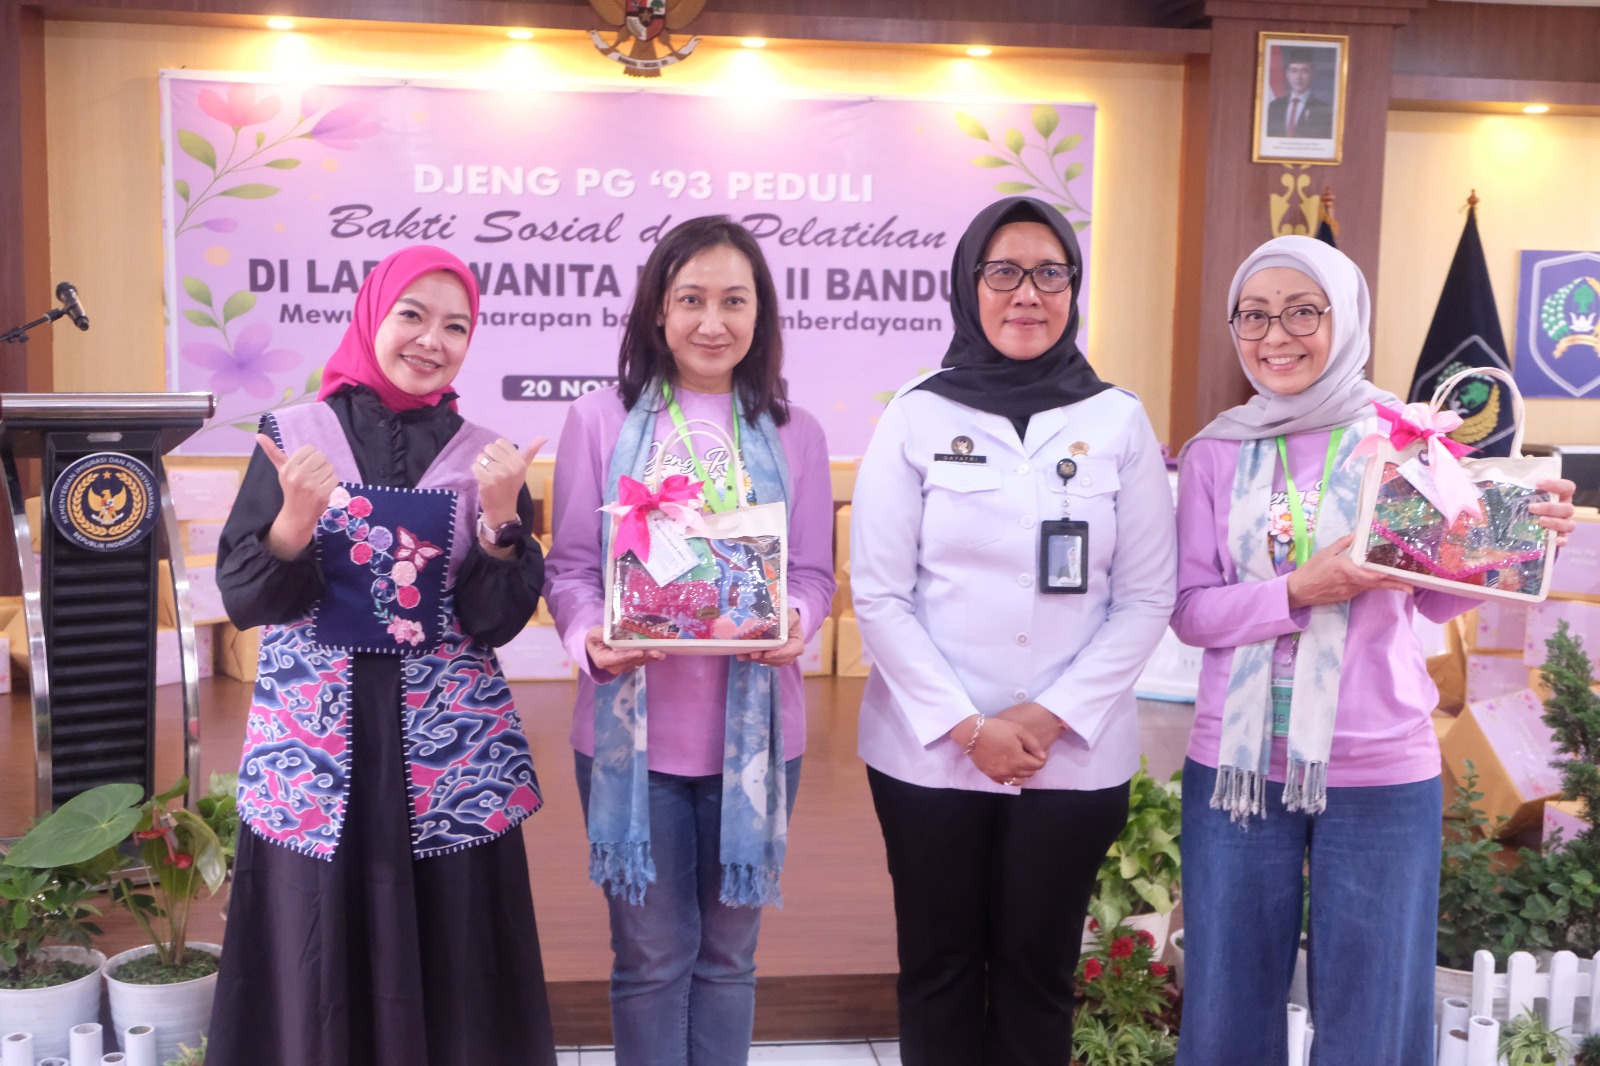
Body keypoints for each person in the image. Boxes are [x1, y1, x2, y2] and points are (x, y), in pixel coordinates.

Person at [1171, 235, 1576, 1065]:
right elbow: (1191, 614)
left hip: (1381, 763)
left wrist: (1525, 542)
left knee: (1376, 1012)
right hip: (1240, 765)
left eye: (1302, 312)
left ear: (1346, 318)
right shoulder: (1216, 451)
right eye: (1254, 315)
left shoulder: (1401, 438)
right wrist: (1297, 591)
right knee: (1225, 1002)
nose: (1275, 335)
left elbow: (1434, 594)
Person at [209, 245, 557, 1066]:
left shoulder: (488, 457)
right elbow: (246, 598)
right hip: (320, 747)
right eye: (413, 315)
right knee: (316, 946)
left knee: (455, 945)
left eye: (456, 326)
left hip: (447, 750)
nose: (432, 340)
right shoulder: (294, 438)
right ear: (373, 315)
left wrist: (501, 521)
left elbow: (495, 621)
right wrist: (293, 521)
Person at [850, 196, 1177, 1066]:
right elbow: (879, 595)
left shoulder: (1118, 420)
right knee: (939, 970)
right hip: (929, 755)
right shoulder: (916, 415)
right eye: (1003, 272)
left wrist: (1044, 717)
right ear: (969, 285)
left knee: (1039, 976)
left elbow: (1147, 596)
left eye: (1049, 273)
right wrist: (969, 727)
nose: (1027, 293)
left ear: (1074, 287)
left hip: (1072, 757)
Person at [543, 215, 835, 1066]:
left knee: (729, 960)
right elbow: (571, 568)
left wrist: (795, 621)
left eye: (734, 301)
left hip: (759, 742)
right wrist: (589, 637)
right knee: (648, 960)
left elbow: (812, 574)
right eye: (691, 300)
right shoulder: (599, 419)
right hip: (630, 743)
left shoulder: (796, 431)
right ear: (657, 311)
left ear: (760, 313)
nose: (713, 322)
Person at [1265, 48, 1333, 139]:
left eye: (1304, 71)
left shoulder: (1323, 111)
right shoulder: (1274, 107)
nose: (1298, 77)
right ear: (1287, 74)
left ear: (1312, 74)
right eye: (1294, 71)